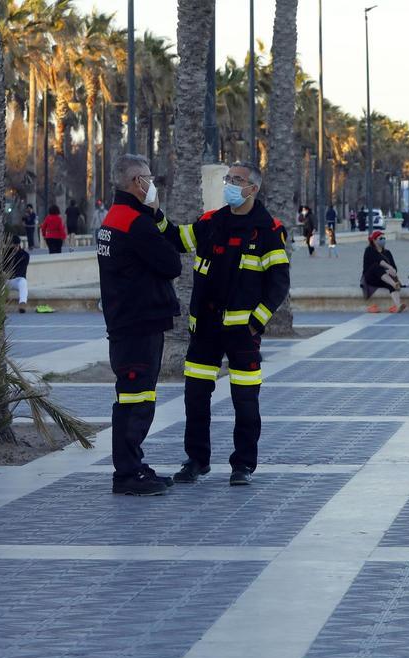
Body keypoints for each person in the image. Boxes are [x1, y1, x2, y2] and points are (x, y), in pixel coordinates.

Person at [164, 161, 291, 487]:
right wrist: (153, 212)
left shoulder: (267, 229)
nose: (230, 184)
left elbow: (278, 283)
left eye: (238, 180)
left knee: (245, 401)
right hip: (205, 329)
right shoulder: (211, 222)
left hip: (242, 334)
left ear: (253, 188)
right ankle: (197, 460)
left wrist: (255, 322)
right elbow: (178, 239)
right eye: (229, 178)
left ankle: (243, 465)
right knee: (195, 397)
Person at [97, 153, 183, 496]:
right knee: (136, 400)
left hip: (125, 321)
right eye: (149, 178)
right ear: (137, 183)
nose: (153, 184)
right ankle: (127, 474)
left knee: (132, 397)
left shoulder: (113, 219)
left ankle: (133, 465)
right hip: (138, 323)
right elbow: (171, 263)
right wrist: (154, 213)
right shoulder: (135, 222)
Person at [362, 230, 404, 313]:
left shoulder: (387, 252)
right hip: (370, 278)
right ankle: (394, 284)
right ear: (374, 240)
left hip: (384, 278)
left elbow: (394, 267)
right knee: (376, 267)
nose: (383, 240)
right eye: (380, 238)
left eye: (384, 238)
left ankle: (398, 305)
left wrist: (393, 271)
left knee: (391, 283)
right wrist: (389, 268)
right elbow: (380, 261)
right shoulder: (369, 250)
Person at [4, 235, 30, 313]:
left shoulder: (25, 255)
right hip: (6, 280)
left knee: (23, 282)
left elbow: (21, 270)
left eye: (17, 245)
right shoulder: (5, 253)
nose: (15, 247)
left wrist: (9, 274)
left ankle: (22, 304)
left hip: (17, 279)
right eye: (14, 245)